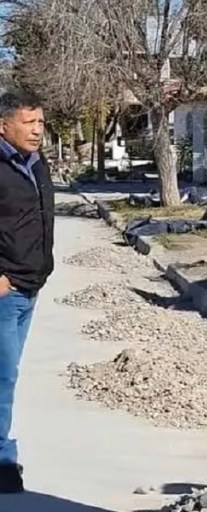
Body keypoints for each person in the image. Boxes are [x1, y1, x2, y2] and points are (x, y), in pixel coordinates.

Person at [0, 89, 52, 494]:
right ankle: (1, 459)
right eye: (28, 123)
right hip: (4, 289)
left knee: (8, 375)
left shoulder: (36, 163)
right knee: (2, 377)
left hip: (29, 286)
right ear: (4, 125)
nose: (37, 131)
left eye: (40, 122)